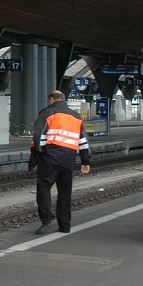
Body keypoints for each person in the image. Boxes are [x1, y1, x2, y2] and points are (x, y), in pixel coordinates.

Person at [31, 89, 91, 234]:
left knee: (44, 187)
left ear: (51, 99)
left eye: (48, 100)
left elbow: (39, 136)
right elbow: (83, 141)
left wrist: (39, 153)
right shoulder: (76, 116)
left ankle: (47, 219)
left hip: (50, 158)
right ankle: (65, 225)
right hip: (68, 160)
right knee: (65, 192)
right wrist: (85, 161)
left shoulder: (47, 113)